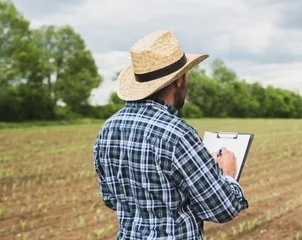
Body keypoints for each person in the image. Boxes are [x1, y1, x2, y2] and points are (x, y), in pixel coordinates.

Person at [93, 30, 248, 240]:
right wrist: (226, 173)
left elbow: (111, 199)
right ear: (179, 80)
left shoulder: (108, 129)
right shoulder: (177, 135)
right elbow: (223, 208)